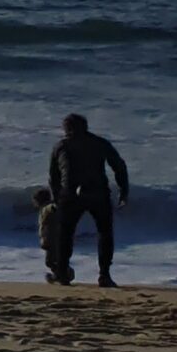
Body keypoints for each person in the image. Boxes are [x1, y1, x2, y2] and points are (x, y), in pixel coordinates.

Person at [46, 113, 130, 288]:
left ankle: (62, 273)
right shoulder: (100, 143)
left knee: (65, 234)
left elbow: (53, 177)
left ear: (66, 129)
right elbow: (119, 166)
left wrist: (56, 198)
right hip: (97, 192)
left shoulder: (61, 146)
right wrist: (123, 190)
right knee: (105, 233)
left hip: (70, 195)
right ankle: (104, 275)